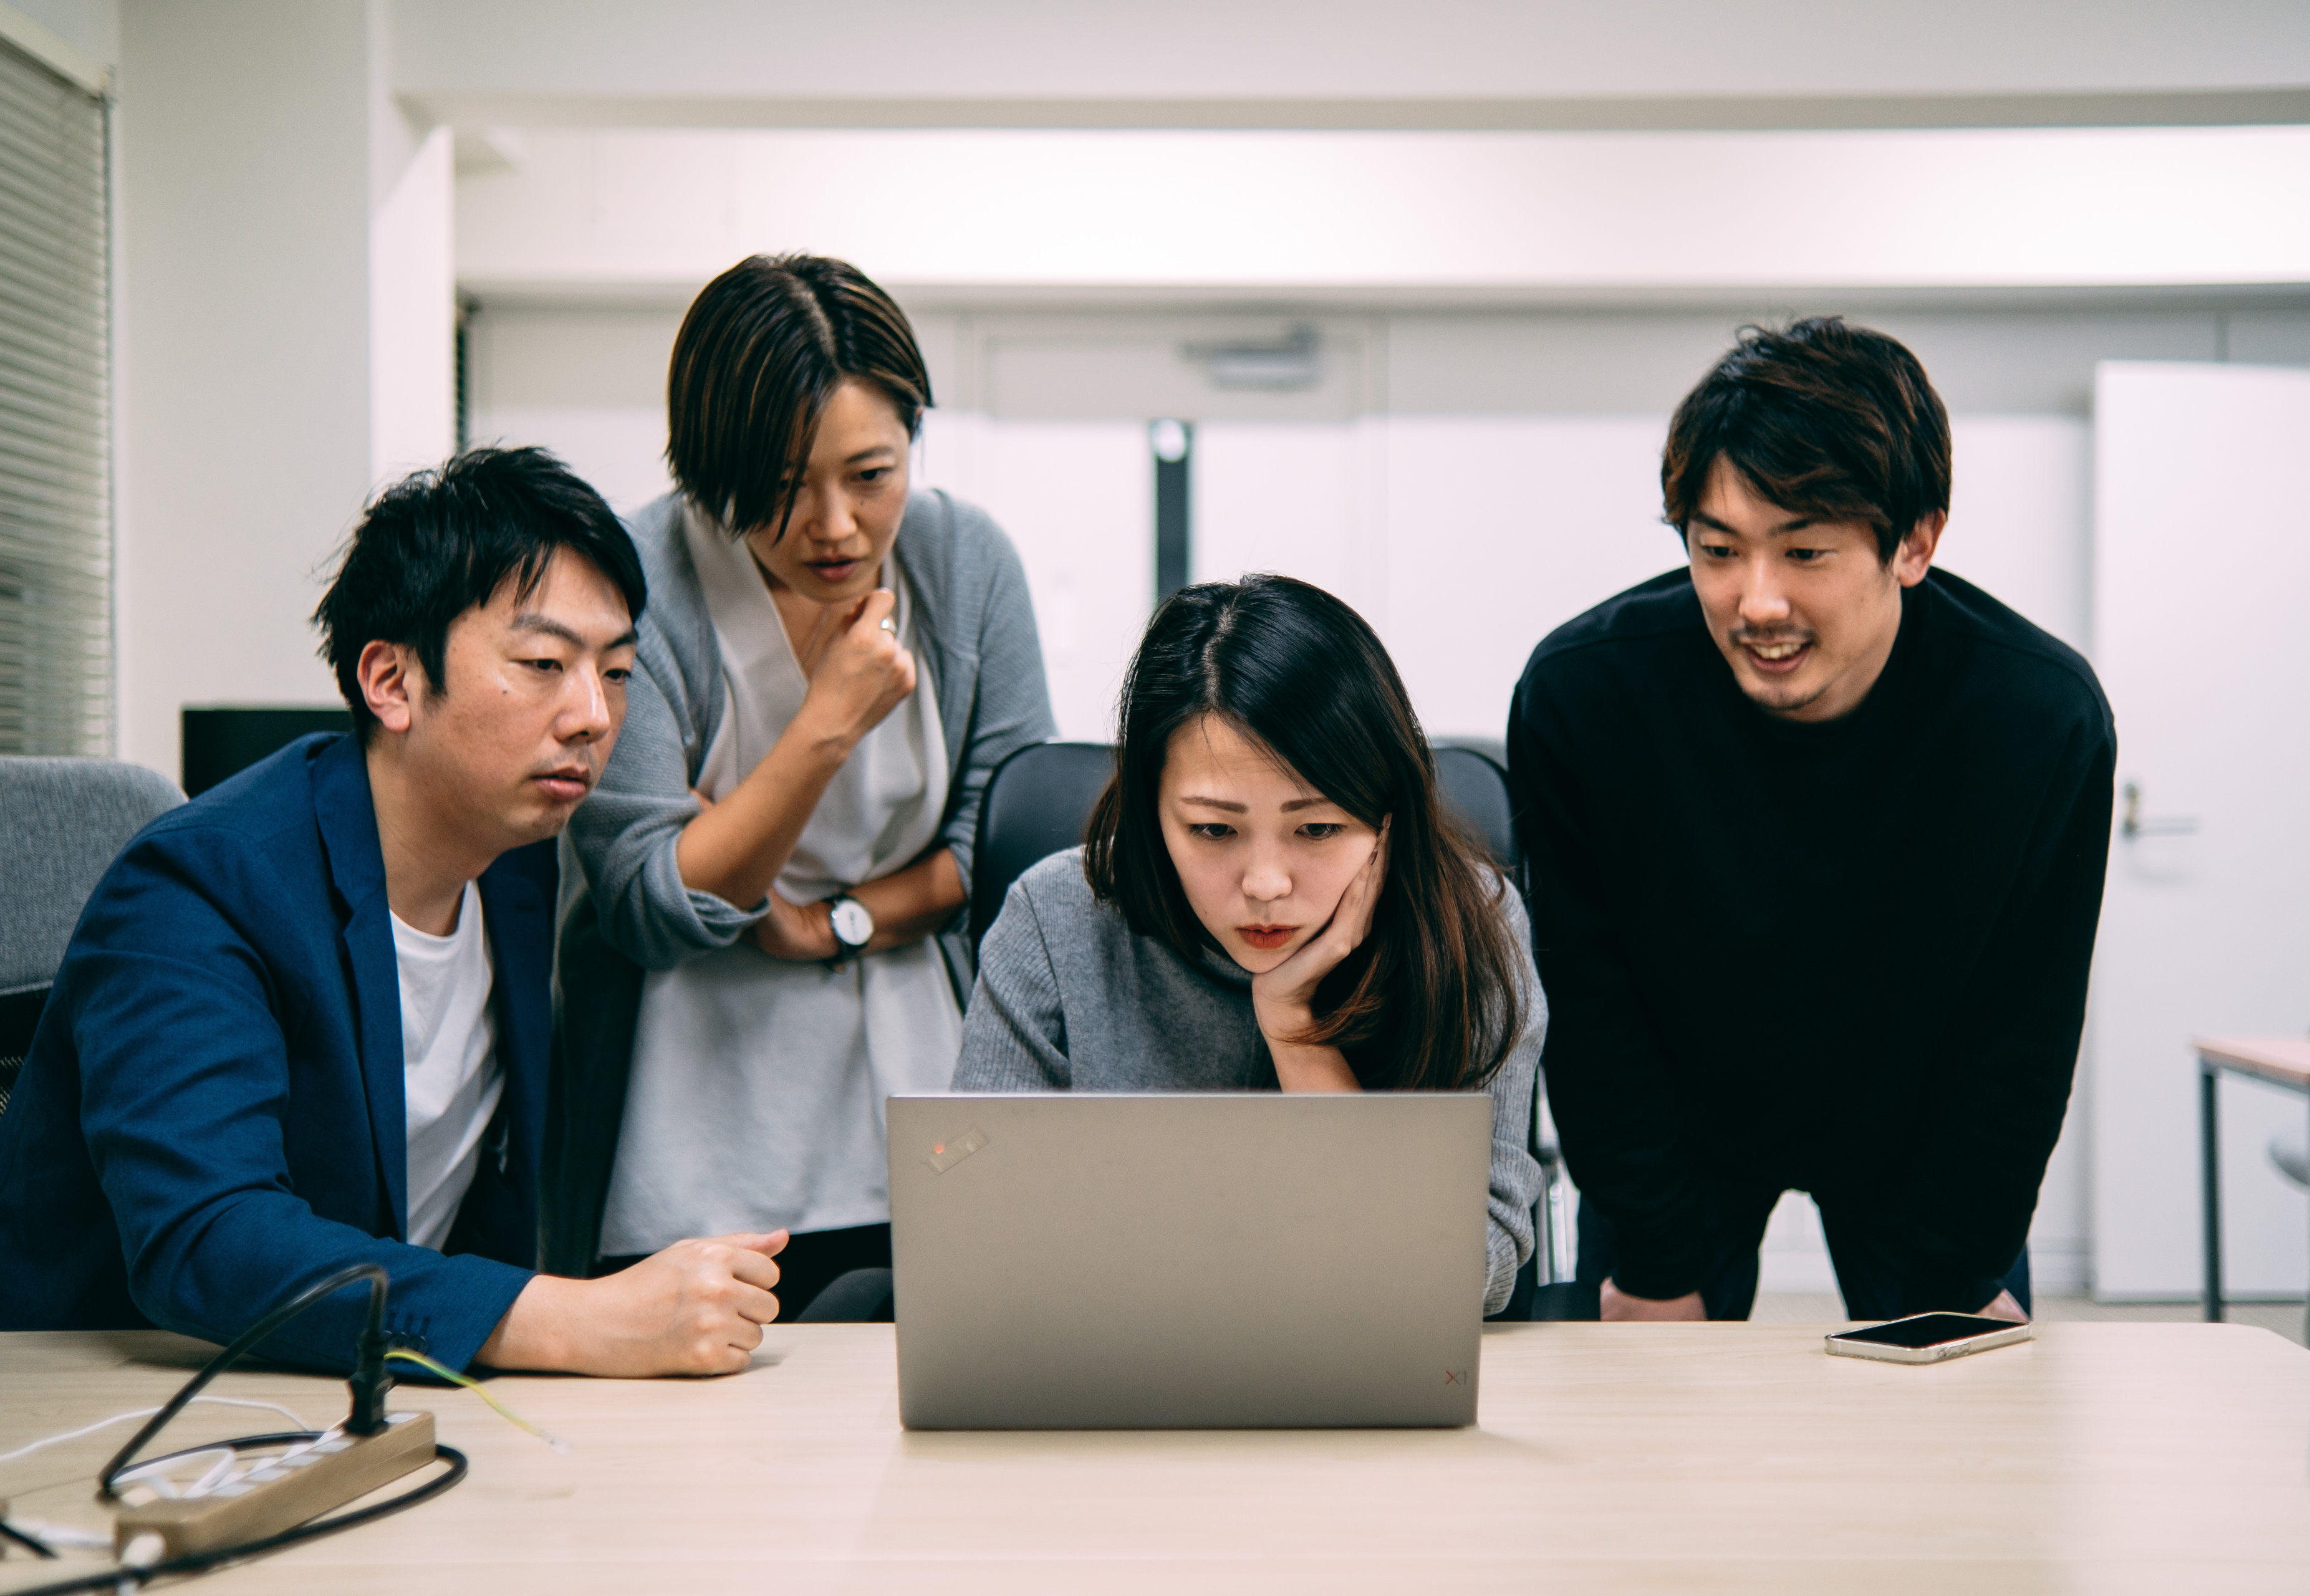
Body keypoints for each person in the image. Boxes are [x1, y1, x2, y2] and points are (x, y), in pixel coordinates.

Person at [0, 448, 786, 1375]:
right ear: (391, 681)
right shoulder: (197, 886)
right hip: (113, 1406)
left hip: (373, 1393)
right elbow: (205, 1238)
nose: (593, 716)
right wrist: (572, 1319)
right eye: (542, 663)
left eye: (614, 673)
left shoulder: (520, 865)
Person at [1508, 317, 2115, 1324]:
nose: (1758, 601)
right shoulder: (1589, 698)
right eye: (1718, 550)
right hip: (1678, 1131)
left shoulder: (2036, 721)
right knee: (1653, 1444)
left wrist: (1959, 1274)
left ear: (1914, 541)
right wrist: (1658, 1263)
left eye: (1806, 551)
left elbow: (2020, 1036)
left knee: (1955, 1447)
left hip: (1923, 1133)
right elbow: (1593, 1008)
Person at [553, 254, 1054, 1317]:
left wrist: (825, 924)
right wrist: (826, 724)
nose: (835, 527)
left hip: (920, 1080)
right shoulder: (636, 577)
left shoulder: (964, 563)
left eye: (871, 475)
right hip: (689, 1108)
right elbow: (652, 903)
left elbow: (1005, 844)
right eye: (781, 489)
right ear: (706, 468)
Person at [956, 575, 1546, 1315]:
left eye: (1318, 829)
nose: (1266, 884)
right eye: (1212, 830)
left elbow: (1472, 1273)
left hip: (1369, 1388)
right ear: (1150, 811)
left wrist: (1299, 1034)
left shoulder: (1473, 925)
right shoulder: (1056, 917)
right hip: (1113, 1372)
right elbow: (975, 1239)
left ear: (1388, 818)